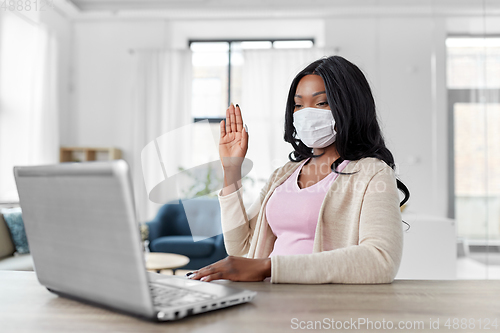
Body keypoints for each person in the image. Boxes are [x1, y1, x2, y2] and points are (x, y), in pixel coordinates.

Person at [187, 55, 410, 284]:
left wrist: (270, 267)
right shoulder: (284, 174)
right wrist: (231, 170)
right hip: (270, 304)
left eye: (320, 102)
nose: (306, 113)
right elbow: (240, 246)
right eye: (298, 104)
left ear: (349, 106)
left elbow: (381, 260)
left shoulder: (372, 172)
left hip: (322, 310)